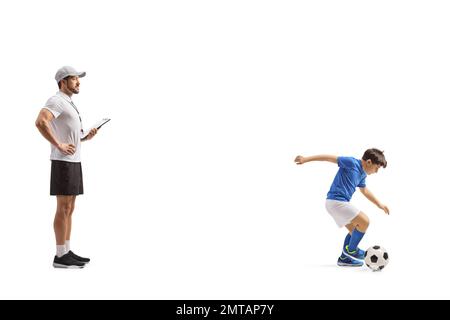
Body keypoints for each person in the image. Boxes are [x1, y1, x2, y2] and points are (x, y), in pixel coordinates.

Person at [35, 66, 98, 268]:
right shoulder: (56, 100)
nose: (78, 82)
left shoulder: (69, 102)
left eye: (79, 79)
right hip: (62, 162)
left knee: (70, 208)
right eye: (74, 79)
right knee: (63, 209)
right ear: (63, 81)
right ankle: (59, 256)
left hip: (74, 161)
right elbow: (40, 122)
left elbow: (69, 133)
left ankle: (66, 251)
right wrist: (58, 145)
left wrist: (84, 137)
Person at [294, 148, 389, 267]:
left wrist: (379, 204)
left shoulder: (362, 174)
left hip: (336, 203)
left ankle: (344, 258)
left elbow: (364, 190)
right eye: (377, 168)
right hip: (336, 201)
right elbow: (328, 158)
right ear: (369, 162)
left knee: (354, 230)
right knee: (365, 221)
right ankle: (352, 250)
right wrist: (305, 159)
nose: (376, 171)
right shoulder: (351, 163)